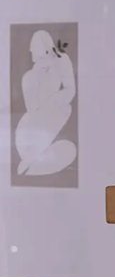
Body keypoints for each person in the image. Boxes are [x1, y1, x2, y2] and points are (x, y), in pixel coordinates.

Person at [15, 29, 77, 178]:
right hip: (33, 126)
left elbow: (70, 90)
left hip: (53, 112)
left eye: (37, 53)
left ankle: (33, 163)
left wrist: (51, 103)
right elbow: (32, 110)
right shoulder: (29, 77)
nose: (33, 57)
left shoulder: (61, 60)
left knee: (66, 111)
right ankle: (32, 162)